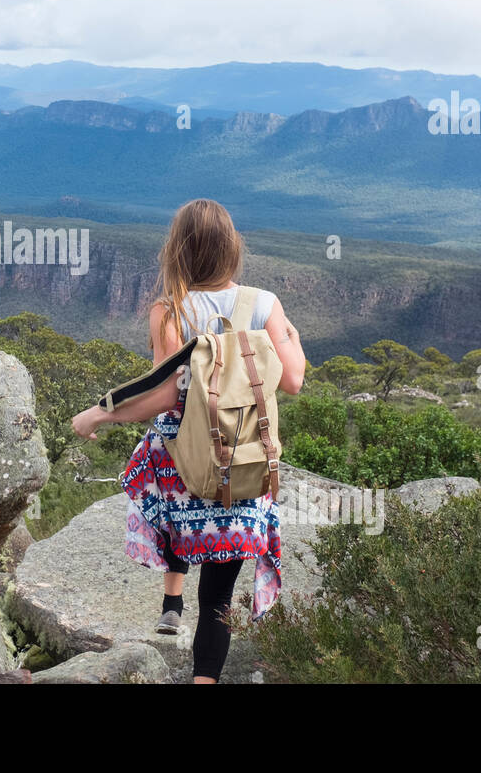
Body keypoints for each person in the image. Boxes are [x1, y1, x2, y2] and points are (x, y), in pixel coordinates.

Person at [72, 199, 305, 683]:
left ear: (177, 251)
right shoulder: (264, 304)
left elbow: (162, 397)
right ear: (232, 248)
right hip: (242, 465)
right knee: (218, 599)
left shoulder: (170, 309)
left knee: (163, 476)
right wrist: (293, 338)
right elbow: (294, 381)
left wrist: (98, 415)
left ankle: (170, 597)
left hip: (185, 470)